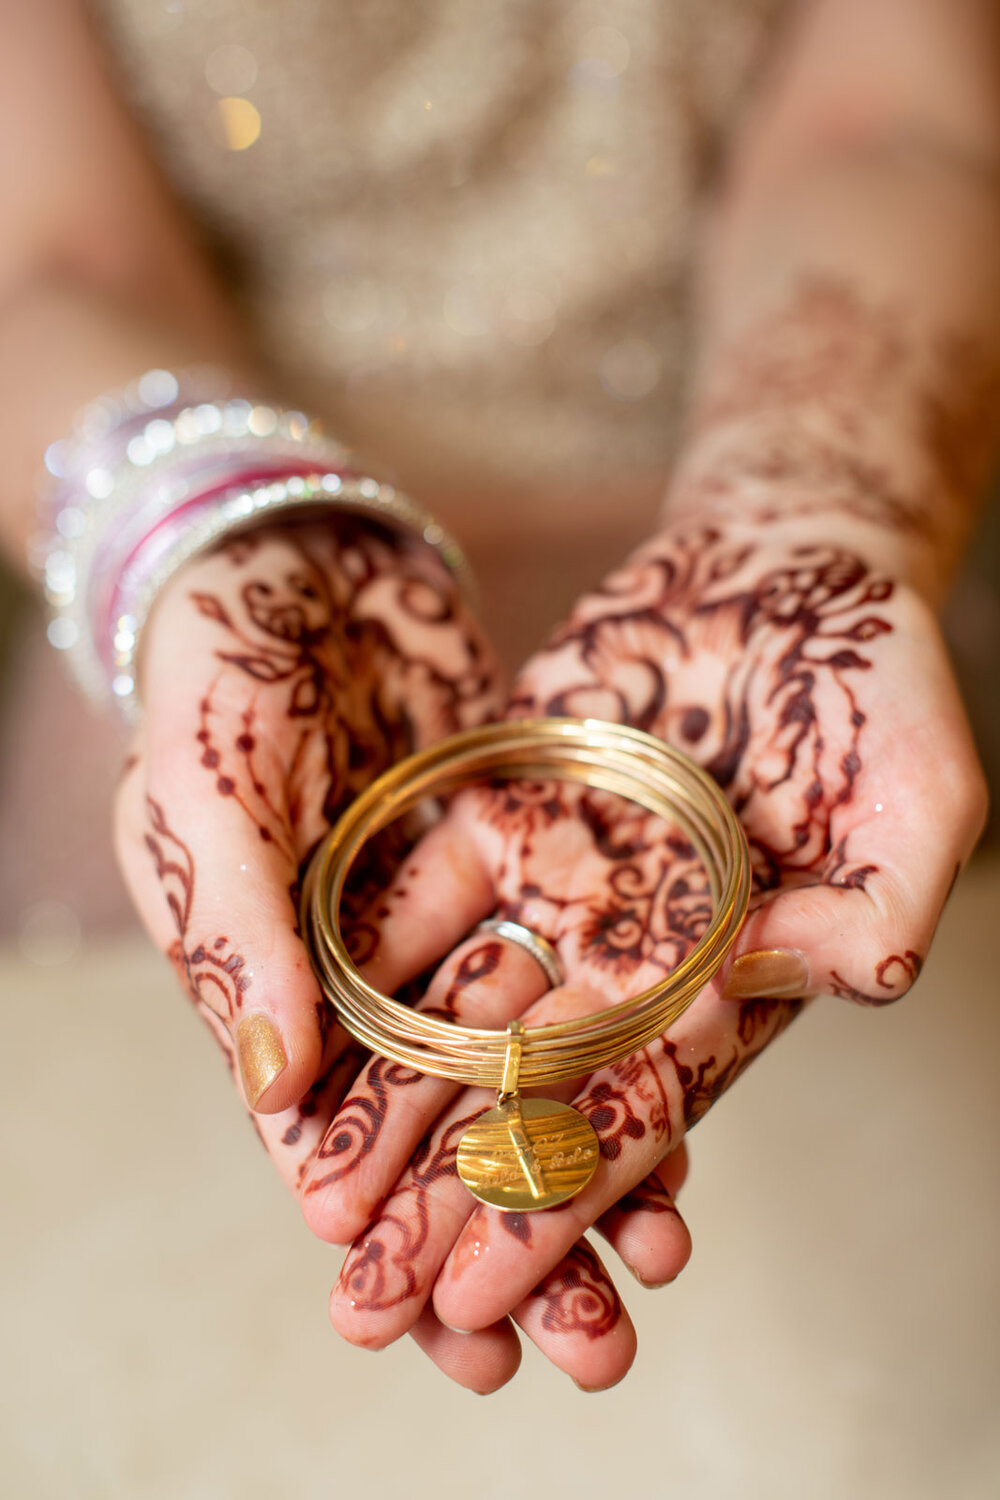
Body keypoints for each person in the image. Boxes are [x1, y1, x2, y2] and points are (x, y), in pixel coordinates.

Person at [0, 0, 996, 1394]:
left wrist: (814, 495)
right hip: (304, 609)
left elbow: (896, 119)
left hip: (726, 550)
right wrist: (201, 528)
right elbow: (50, 255)